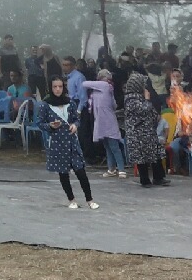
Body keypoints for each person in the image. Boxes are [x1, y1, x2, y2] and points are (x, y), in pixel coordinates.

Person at [34, 77, 98, 210]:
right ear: (50, 88)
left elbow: (76, 119)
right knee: (63, 173)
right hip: (57, 143)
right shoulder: (45, 105)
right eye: (55, 87)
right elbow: (40, 123)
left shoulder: (70, 103)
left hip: (72, 141)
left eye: (60, 86)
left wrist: (75, 125)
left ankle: (90, 199)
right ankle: (71, 199)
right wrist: (50, 126)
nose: (58, 89)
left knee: (81, 172)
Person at [123, 73, 169, 187]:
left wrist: (156, 116)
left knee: (155, 154)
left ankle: (159, 178)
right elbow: (142, 111)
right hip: (137, 134)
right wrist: (147, 100)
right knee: (141, 157)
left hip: (148, 132)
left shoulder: (140, 97)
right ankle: (145, 180)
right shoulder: (130, 99)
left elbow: (151, 112)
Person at [83, 70, 126, 178]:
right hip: (102, 120)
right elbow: (114, 105)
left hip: (107, 121)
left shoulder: (104, 85)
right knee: (108, 147)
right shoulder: (106, 88)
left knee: (114, 146)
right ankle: (111, 169)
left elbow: (85, 84)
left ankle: (121, 169)